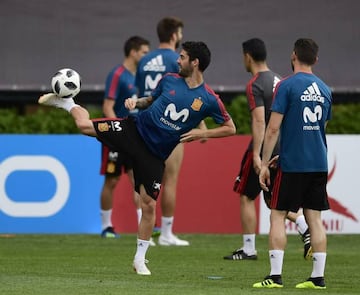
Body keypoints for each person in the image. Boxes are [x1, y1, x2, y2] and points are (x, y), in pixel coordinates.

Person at [38, 41, 236, 276]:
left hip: (155, 154)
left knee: (149, 205)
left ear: (195, 63)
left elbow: (230, 128)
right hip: (133, 130)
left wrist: (203, 133)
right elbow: (150, 101)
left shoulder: (209, 99)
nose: (177, 60)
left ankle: (140, 259)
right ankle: (67, 102)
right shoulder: (169, 79)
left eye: (182, 57)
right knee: (83, 126)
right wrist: (136, 102)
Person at [253, 38, 331, 289]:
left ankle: (275, 277)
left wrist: (264, 163)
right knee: (315, 220)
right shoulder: (325, 89)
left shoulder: (286, 85)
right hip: (318, 162)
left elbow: (273, 128)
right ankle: (317, 278)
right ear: (316, 60)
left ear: (293, 55)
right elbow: (321, 128)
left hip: (293, 164)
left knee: (277, 215)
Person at [223, 38, 312, 260]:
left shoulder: (255, 83)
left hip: (265, 146)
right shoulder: (279, 80)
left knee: (245, 194)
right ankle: (304, 228)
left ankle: (249, 248)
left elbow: (260, 121)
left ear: (247, 57)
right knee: (274, 198)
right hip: (284, 145)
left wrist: (257, 154)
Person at [135, 16, 205, 246]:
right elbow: (188, 93)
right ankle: (165, 233)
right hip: (168, 126)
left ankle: (144, 231)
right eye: (180, 34)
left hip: (143, 125)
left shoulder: (144, 60)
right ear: (174, 35)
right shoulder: (176, 60)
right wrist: (200, 125)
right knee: (170, 180)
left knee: (144, 180)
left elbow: (142, 95)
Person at [99, 36, 150, 238]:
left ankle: (142, 225)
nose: (147, 56)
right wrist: (116, 132)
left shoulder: (140, 76)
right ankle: (106, 227)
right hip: (116, 137)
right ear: (133, 52)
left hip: (134, 136)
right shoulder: (117, 74)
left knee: (138, 181)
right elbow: (107, 107)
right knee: (111, 181)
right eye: (144, 52)